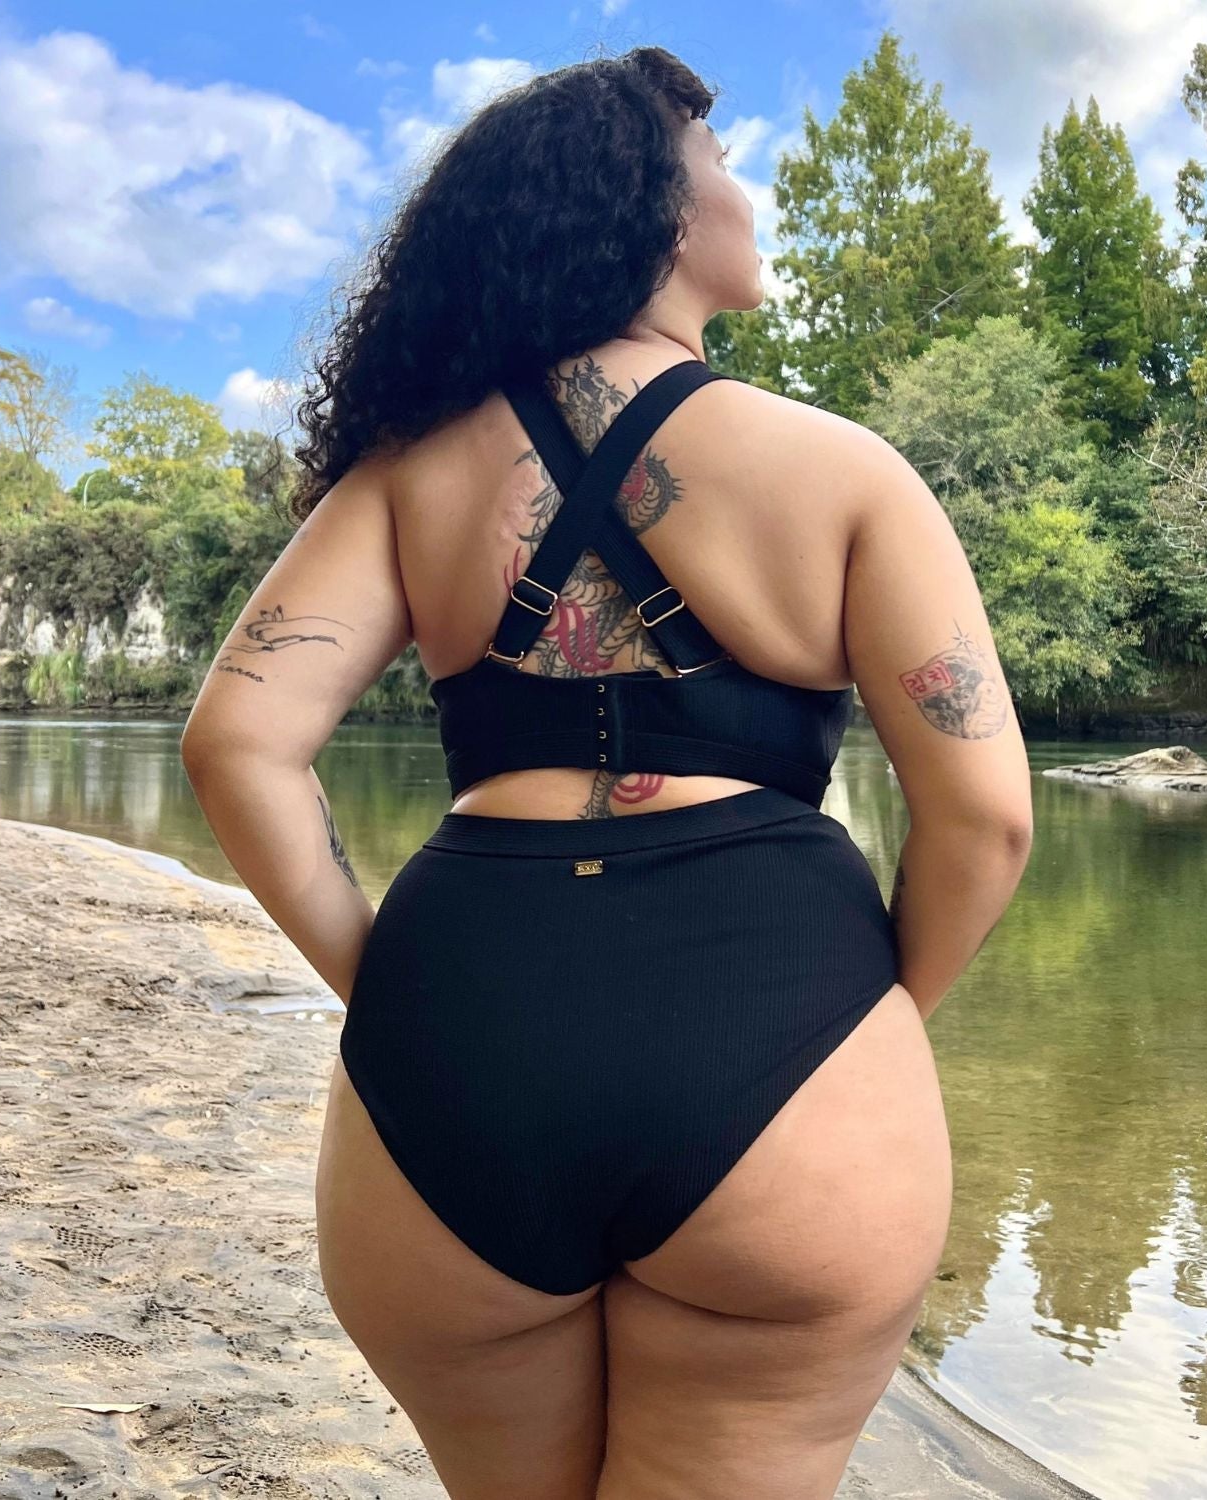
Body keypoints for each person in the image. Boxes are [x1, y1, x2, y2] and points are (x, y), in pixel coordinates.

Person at [180, 45, 1033, 1500]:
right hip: (777, 1017)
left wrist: (385, 984)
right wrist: (872, 1019)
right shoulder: (843, 470)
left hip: (462, 1027)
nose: (746, 194)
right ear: (655, 211)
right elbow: (988, 817)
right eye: (721, 164)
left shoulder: (405, 475)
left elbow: (235, 745)